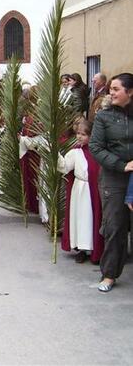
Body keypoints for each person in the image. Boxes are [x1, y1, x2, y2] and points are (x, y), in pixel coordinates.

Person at [89, 72, 133, 292]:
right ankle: (109, 274)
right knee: (115, 226)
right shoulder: (104, 117)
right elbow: (95, 147)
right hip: (114, 178)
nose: (111, 92)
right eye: (111, 89)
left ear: (130, 92)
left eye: (116, 89)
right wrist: (122, 165)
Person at [58, 120, 103, 264]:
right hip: (79, 190)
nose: (79, 137)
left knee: (92, 218)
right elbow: (65, 167)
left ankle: (94, 248)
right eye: (78, 133)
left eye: (83, 134)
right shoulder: (75, 152)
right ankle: (82, 249)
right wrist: (56, 155)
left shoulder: (97, 152)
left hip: (93, 191)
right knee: (81, 219)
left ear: (91, 135)